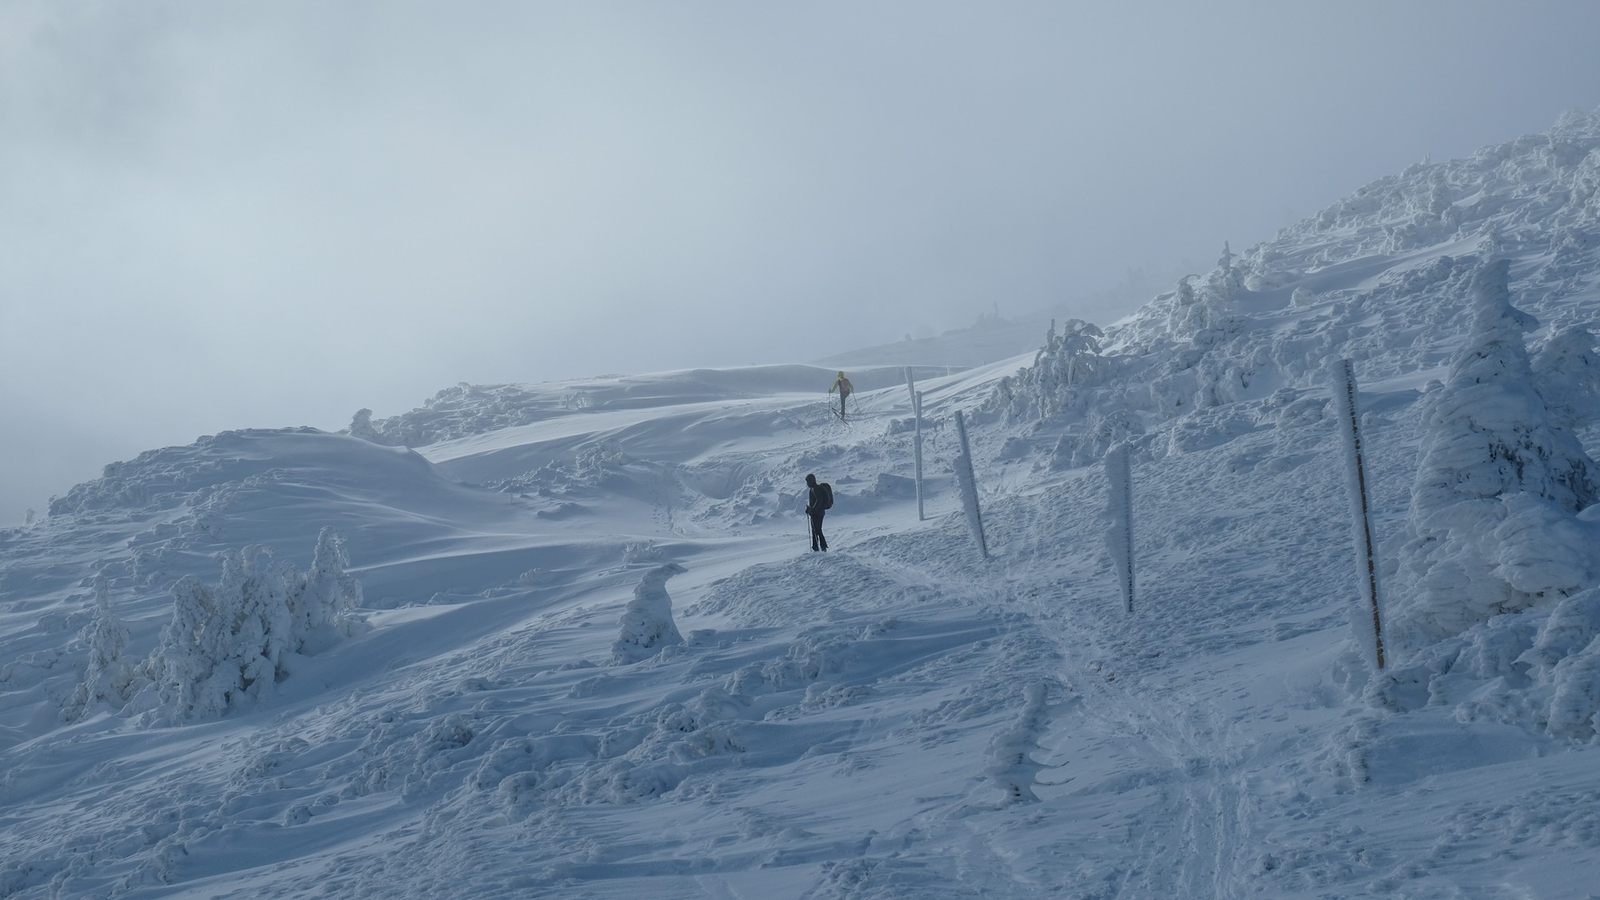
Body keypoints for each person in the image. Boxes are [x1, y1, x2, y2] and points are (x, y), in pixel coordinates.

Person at [805, 473, 829, 552]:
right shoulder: (813, 489)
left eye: (808, 481)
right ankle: (817, 547)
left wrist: (812, 509)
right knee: (815, 530)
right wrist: (809, 509)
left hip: (818, 513)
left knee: (817, 530)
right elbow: (815, 501)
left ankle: (821, 547)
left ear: (812, 481)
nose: (807, 483)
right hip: (817, 513)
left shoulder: (816, 488)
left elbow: (819, 500)